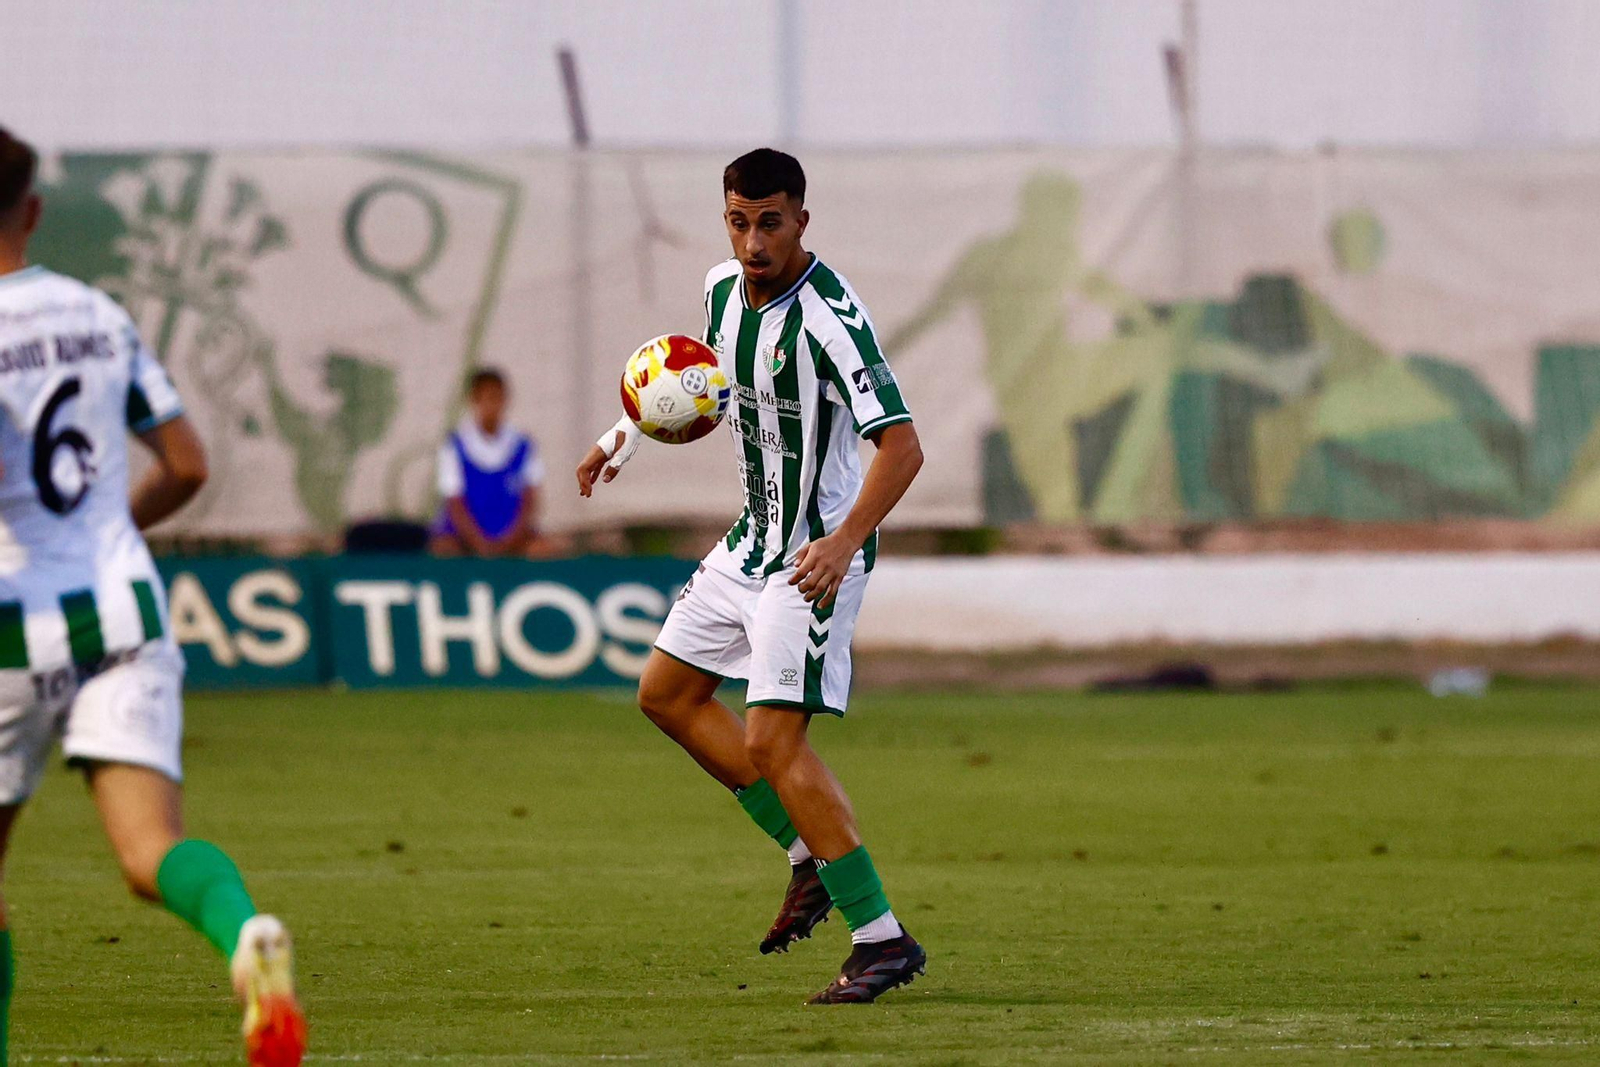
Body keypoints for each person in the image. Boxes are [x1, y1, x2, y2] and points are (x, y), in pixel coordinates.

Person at [576, 148, 928, 1004]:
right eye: (739, 221)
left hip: (812, 555)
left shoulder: (834, 318)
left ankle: (881, 938)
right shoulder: (722, 294)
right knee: (665, 694)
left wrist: (844, 542)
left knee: (774, 740)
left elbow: (903, 445)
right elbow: (706, 391)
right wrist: (621, 438)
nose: (753, 240)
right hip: (750, 543)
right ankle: (805, 854)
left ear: (801, 219)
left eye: (770, 221)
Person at [0, 128, 305, 1064]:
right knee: (147, 852)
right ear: (35, 208)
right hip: (124, 606)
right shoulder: (97, 313)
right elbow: (185, 465)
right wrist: (111, 531)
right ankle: (245, 933)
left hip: (14, 625)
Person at [431, 368, 548, 557]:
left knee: (543, 551)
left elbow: (531, 500)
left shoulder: (523, 444)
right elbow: (454, 504)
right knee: (444, 550)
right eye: (487, 398)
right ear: (474, 401)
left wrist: (510, 541)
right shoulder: (455, 445)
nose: (492, 406)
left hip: (512, 538)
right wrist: (480, 544)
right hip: (464, 538)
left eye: (497, 398)